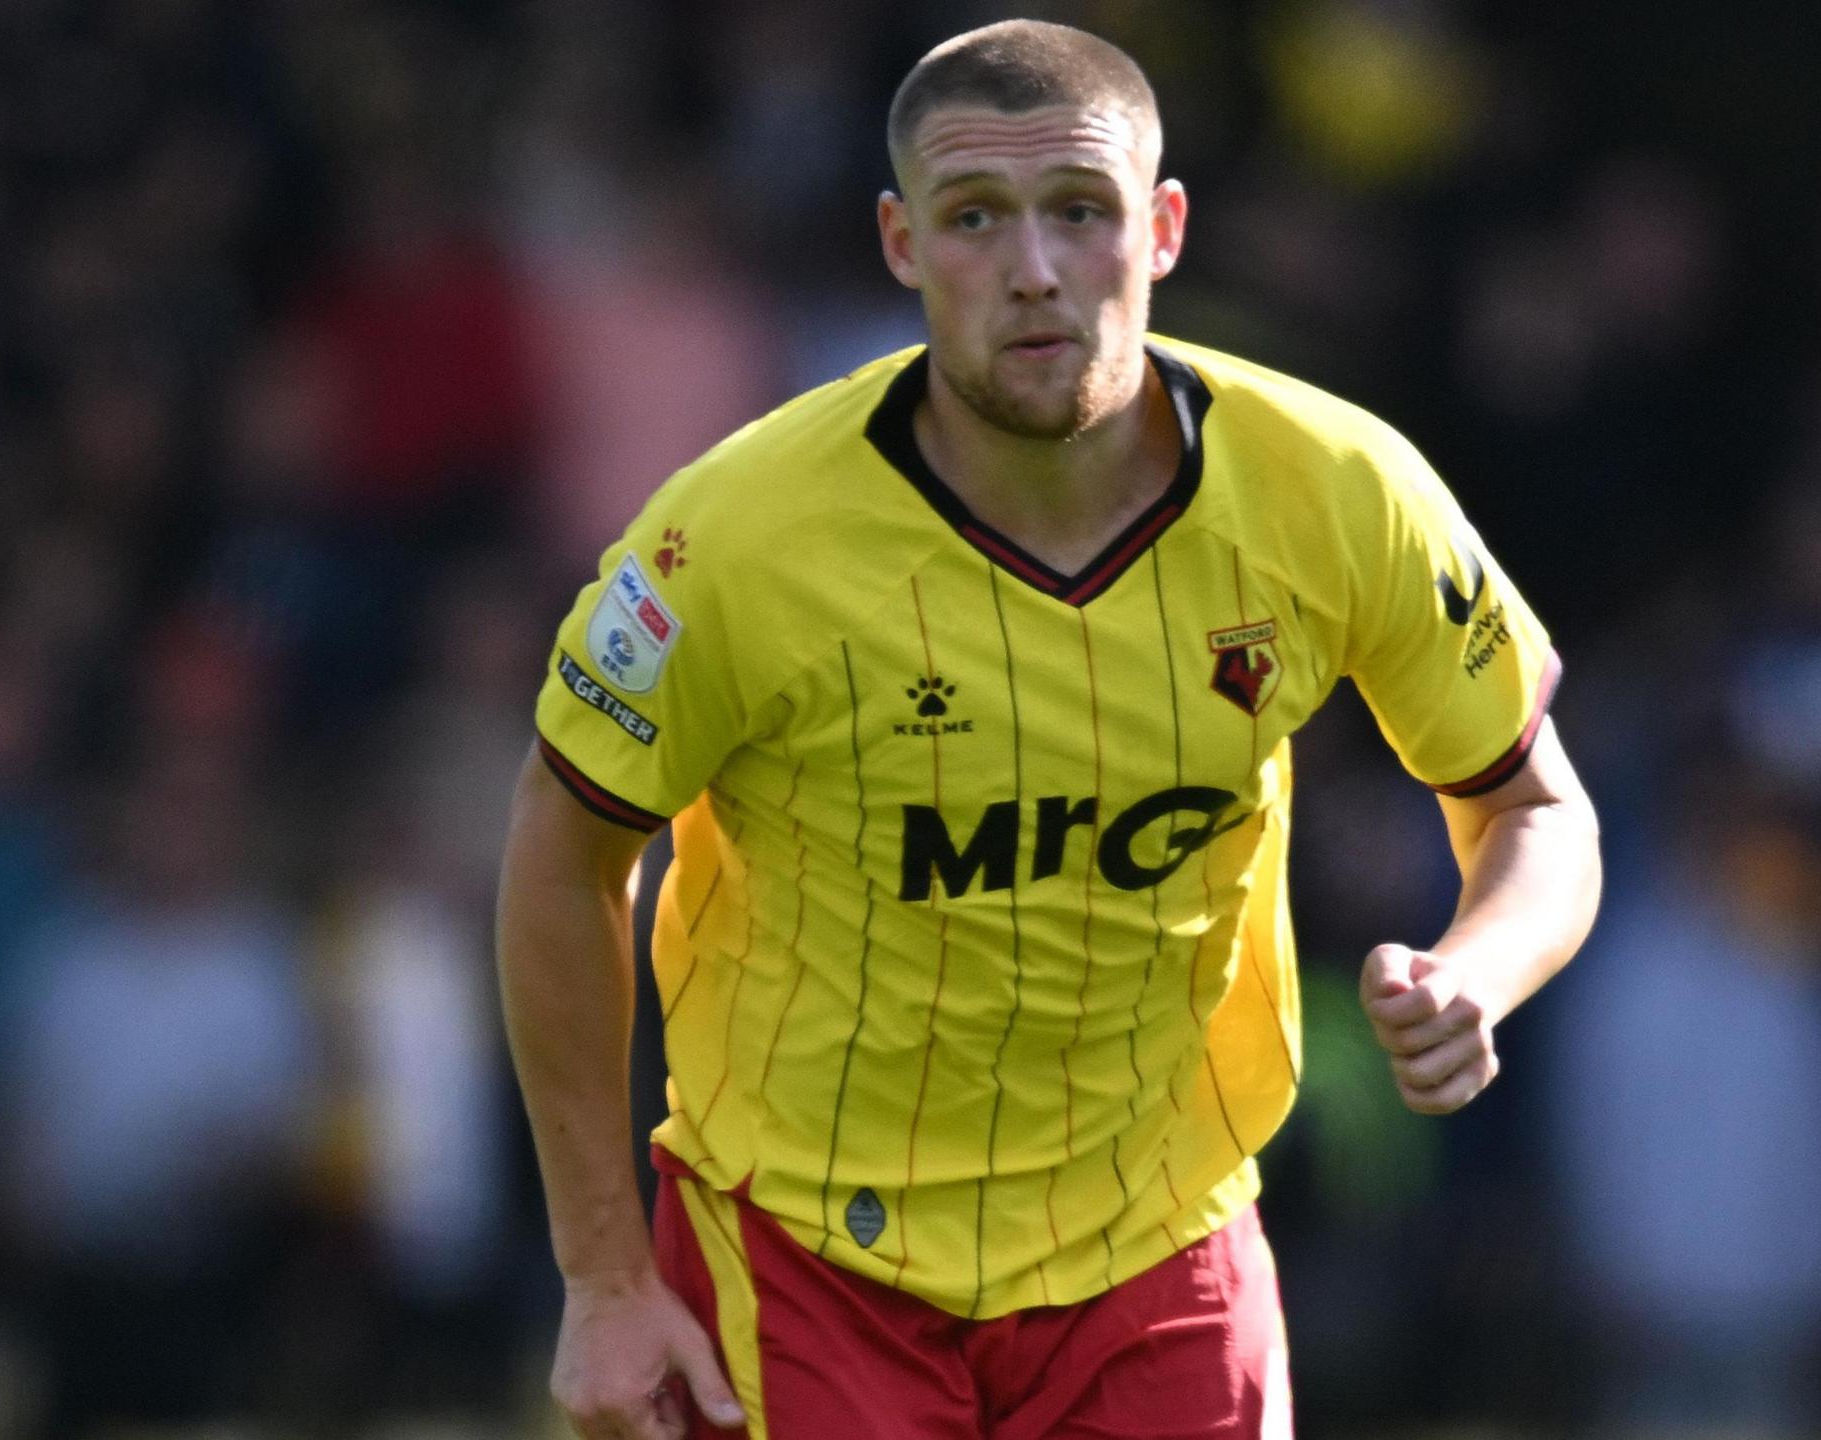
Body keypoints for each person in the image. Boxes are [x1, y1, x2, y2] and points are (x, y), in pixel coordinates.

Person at [495, 20, 1601, 1439]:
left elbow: (1537, 808)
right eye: (974, 219)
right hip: (809, 1267)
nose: (1032, 270)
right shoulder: (737, 541)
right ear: (901, 244)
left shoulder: (1339, 490)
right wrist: (599, 1274)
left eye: (1080, 212)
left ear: (1165, 229)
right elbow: (563, 844)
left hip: (1164, 1255)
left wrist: (1478, 970)